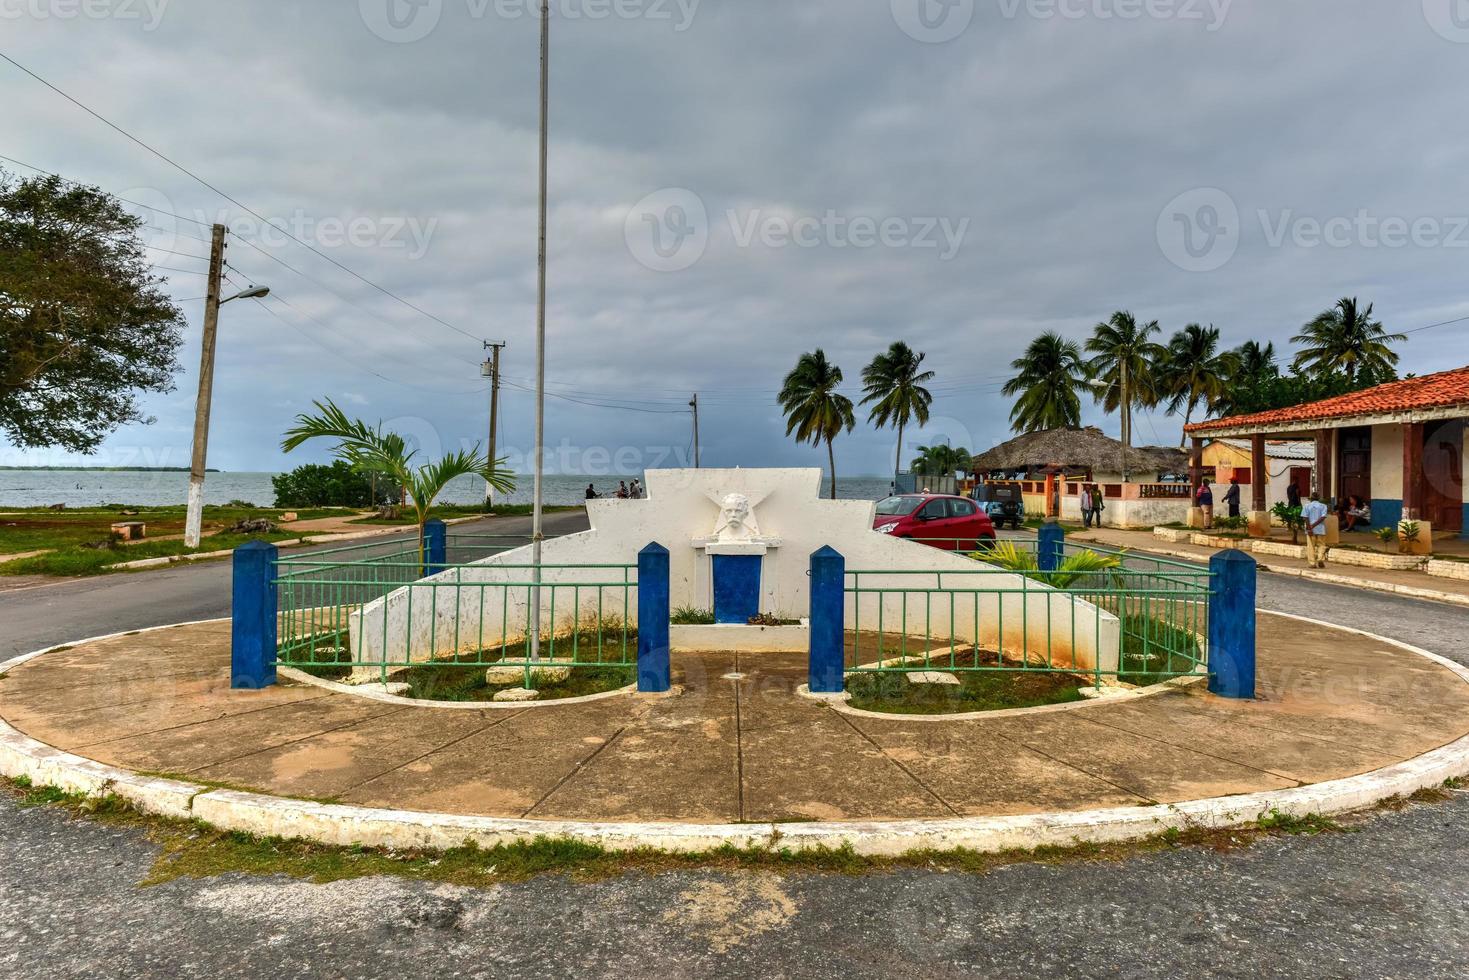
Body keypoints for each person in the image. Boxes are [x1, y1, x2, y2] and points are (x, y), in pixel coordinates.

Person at [1303, 492, 1330, 567]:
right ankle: (1320, 558)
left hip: (1310, 529)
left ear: (1311, 498)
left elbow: (1305, 517)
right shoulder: (1323, 506)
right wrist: (1314, 525)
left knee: (1311, 546)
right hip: (1321, 529)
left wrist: (1310, 528)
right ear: (1319, 498)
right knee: (1321, 544)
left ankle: (1312, 563)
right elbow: (1323, 517)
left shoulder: (1307, 506)